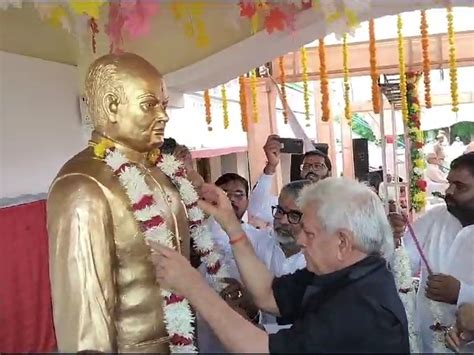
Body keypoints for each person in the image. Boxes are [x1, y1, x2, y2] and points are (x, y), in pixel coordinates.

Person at [150, 178, 409, 353]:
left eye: (309, 233)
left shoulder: (363, 306)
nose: (299, 240)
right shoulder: (341, 273)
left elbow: (259, 349)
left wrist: (194, 287)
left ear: (342, 242)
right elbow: (268, 294)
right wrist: (231, 224)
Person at [47, 53, 194, 352]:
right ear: (113, 106)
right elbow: (84, 325)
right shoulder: (83, 185)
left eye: (164, 105)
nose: (164, 115)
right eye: (149, 104)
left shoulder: (162, 173)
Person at [390, 153, 474, 352]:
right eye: (449, 183)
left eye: (460, 186)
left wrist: (461, 293)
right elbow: (403, 263)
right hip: (424, 344)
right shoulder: (436, 217)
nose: (449, 191)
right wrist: (393, 238)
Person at [248, 134, 332, 224]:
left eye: (317, 166)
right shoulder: (288, 203)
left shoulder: (339, 202)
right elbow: (257, 208)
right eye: (306, 166)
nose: (311, 170)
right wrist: (271, 166)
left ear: (329, 172)